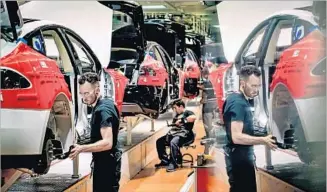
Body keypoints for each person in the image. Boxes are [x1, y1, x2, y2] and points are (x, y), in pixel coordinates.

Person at [222, 65, 277, 192]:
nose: (256, 90)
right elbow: (237, 137)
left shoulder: (237, 99)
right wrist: (263, 140)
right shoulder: (238, 103)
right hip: (239, 162)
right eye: (253, 86)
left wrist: (261, 134)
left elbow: (243, 129)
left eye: (258, 86)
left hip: (240, 159)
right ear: (242, 83)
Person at [69, 72, 122, 192]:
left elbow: (107, 142)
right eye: (81, 94)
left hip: (107, 165)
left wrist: (81, 149)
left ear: (97, 90)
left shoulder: (103, 111)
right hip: (105, 162)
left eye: (87, 93)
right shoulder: (105, 103)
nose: (84, 97)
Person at [155, 99, 197, 172]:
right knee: (159, 141)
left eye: (175, 108)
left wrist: (182, 120)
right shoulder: (176, 115)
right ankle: (165, 160)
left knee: (173, 142)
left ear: (181, 106)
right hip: (175, 134)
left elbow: (193, 118)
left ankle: (173, 163)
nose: (174, 110)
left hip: (185, 135)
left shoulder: (187, 112)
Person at [198, 67, 217, 139]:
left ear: (204, 74)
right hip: (214, 105)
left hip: (208, 107)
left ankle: (210, 137)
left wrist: (201, 101)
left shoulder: (206, 83)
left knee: (207, 123)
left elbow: (204, 99)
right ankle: (212, 136)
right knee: (213, 121)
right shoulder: (213, 82)